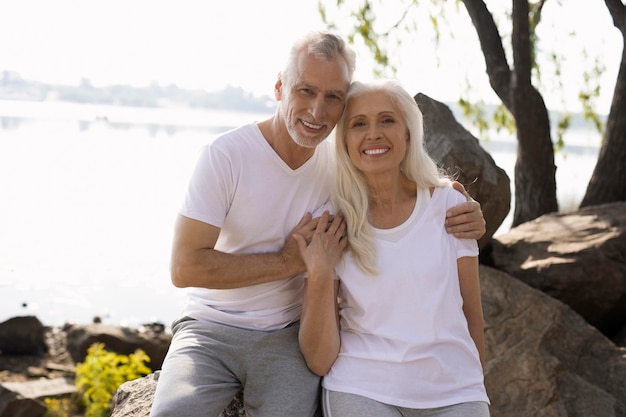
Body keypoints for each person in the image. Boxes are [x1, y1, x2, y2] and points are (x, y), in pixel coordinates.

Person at [150, 32, 486, 417]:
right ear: (279, 88)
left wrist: (464, 209)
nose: (316, 111)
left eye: (333, 98)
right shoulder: (224, 157)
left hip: (288, 334)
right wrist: (290, 261)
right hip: (209, 329)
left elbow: (404, 196)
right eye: (305, 91)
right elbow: (184, 267)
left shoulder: (342, 170)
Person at [295, 79, 490, 417]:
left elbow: (472, 314)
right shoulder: (332, 222)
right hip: (362, 387)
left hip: (453, 389)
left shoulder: (450, 206)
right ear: (343, 141)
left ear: (408, 133)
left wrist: (474, 389)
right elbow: (319, 358)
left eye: (387, 120)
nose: (373, 134)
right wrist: (319, 271)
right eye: (359, 124)